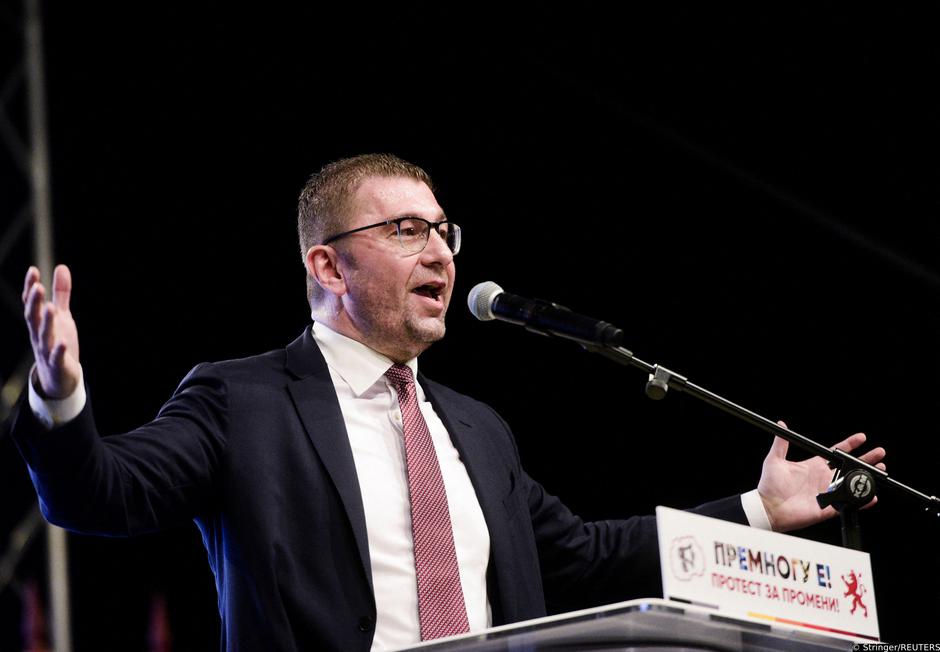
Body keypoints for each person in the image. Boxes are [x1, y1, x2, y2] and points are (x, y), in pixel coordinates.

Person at [14, 154, 886, 651]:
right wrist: (61, 400)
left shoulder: (475, 429)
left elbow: (584, 557)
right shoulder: (243, 401)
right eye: (405, 231)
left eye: (443, 231)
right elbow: (100, 494)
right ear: (328, 266)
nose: (439, 251)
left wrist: (757, 510)